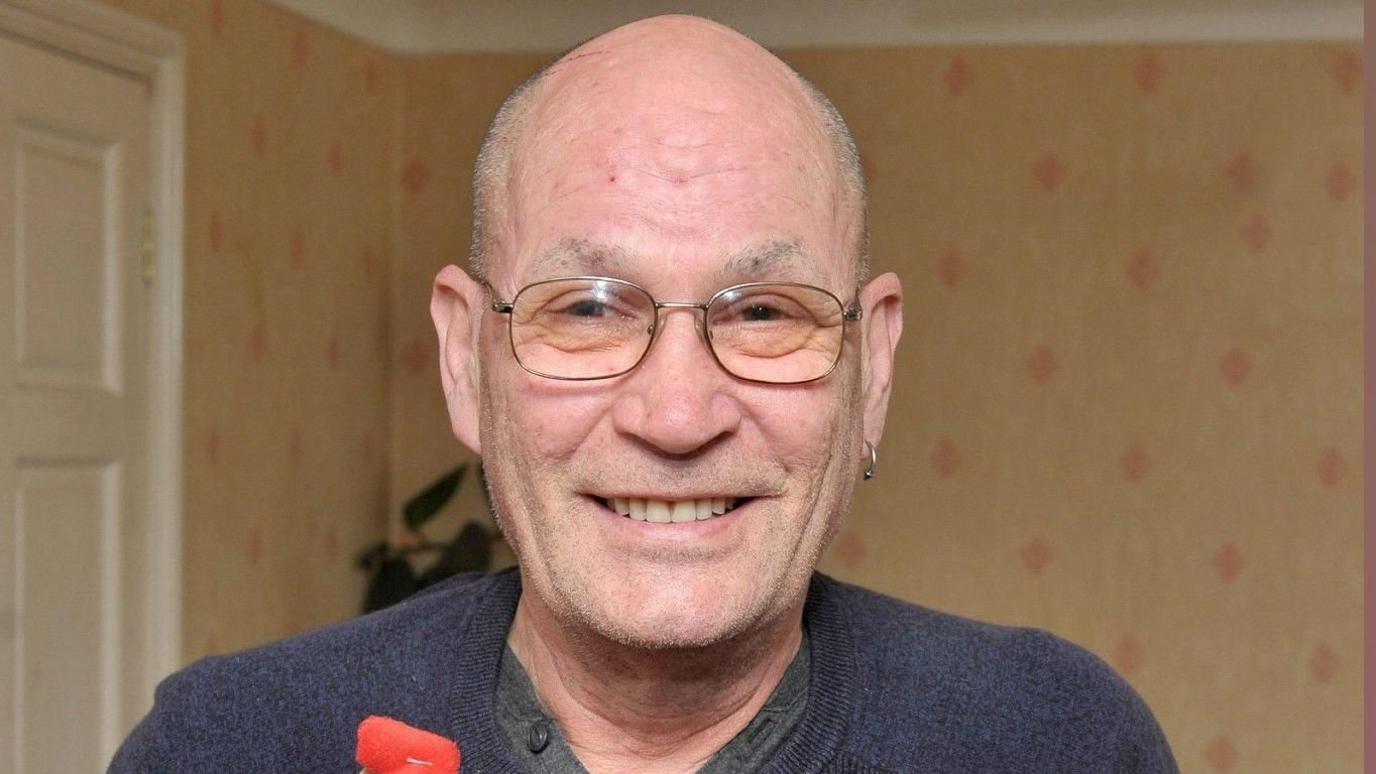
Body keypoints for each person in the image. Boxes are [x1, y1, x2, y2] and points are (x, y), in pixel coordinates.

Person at [111, 15, 1177, 773]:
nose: (675, 416)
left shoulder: (1054, 742)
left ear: (873, 368)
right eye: (584, 309)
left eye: (762, 311)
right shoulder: (228, 746)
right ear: (461, 360)